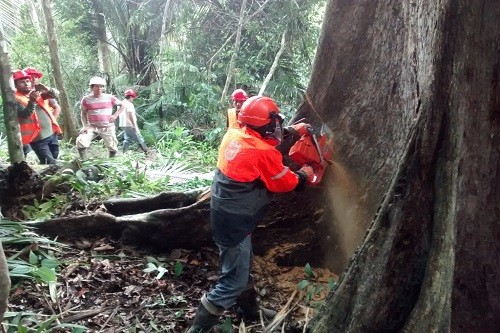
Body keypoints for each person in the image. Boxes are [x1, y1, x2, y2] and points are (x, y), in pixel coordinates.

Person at [186, 96, 315, 332]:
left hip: (225, 213)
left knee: (240, 266)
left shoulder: (236, 131)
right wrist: (305, 174)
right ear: (267, 125)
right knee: (233, 281)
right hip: (236, 222)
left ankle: (250, 311)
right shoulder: (262, 153)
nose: (276, 127)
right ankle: (198, 329)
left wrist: (294, 132)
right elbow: (286, 183)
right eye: (274, 123)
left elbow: (264, 137)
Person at [13, 69, 62, 164]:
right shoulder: (15, 98)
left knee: (55, 156)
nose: (26, 83)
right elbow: (24, 115)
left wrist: (47, 89)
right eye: (22, 82)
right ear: (15, 85)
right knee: (50, 163)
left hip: (51, 133)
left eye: (27, 81)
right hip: (38, 139)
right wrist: (32, 101)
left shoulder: (35, 92)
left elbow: (54, 94)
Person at [76, 76, 122, 159]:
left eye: (101, 86)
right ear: (92, 87)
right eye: (96, 86)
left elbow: (122, 105)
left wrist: (115, 115)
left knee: (112, 147)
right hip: (92, 127)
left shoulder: (109, 97)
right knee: (81, 141)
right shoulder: (86, 99)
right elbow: (83, 114)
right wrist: (85, 126)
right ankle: (84, 162)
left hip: (107, 127)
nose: (99, 88)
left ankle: (111, 163)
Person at [109, 89, 150, 156]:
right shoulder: (129, 104)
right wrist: (133, 125)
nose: (133, 99)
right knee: (139, 138)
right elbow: (130, 114)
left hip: (123, 124)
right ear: (131, 97)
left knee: (127, 139)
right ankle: (147, 152)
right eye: (133, 98)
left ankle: (124, 153)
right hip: (130, 124)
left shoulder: (121, 103)